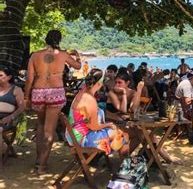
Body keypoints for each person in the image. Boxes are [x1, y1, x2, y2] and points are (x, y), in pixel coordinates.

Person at [24, 29, 81, 174]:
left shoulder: (35, 56)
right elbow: (78, 67)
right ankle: (41, 165)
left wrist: (26, 97)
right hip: (55, 92)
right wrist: (77, 56)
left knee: (40, 126)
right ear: (59, 40)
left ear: (46, 39)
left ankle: (38, 159)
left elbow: (29, 79)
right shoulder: (63, 55)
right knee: (50, 131)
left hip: (38, 92)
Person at [67, 69, 129, 156]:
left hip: (73, 135)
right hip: (82, 139)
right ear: (99, 83)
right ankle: (127, 165)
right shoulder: (90, 99)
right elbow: (94, 126)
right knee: (123, 136)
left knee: (116, 132)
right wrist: (108, 124)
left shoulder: (82, 93)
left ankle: (125, 163)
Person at [0, 66, 25, 142]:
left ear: (9, 77)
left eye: (1, 75)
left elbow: (21, 107)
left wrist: (11, 117)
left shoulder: (16, 89)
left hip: (6, 120)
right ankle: (4, 149)